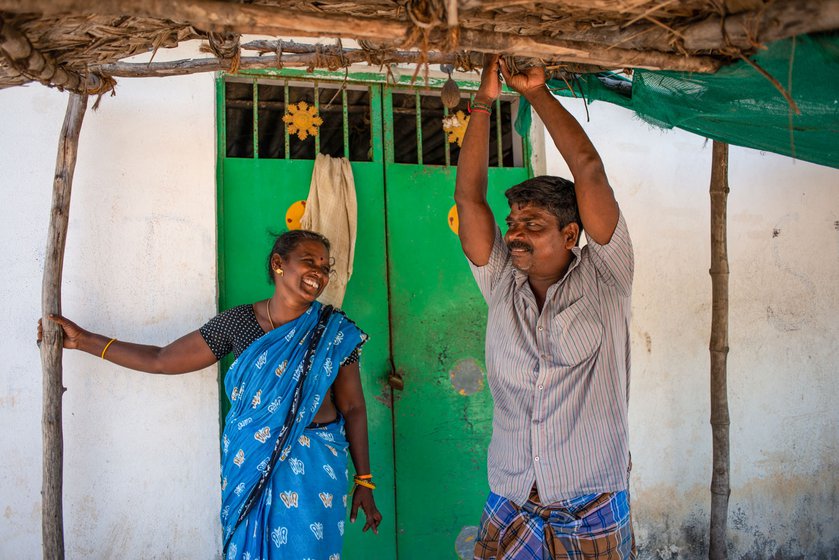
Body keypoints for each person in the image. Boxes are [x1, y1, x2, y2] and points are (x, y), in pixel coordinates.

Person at [39, 229, 382, 559]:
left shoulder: (334, 331)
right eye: (309, 261)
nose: (318, 273)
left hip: (316, 466)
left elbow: (352, 407)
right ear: (279, 264)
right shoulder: (238, 324)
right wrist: (83, 340)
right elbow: (162, 359)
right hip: (250, 463)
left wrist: (364, 479)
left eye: (325, 267)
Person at [454, 55, 636, 558]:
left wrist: (536, 93)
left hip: (591, 500)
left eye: (533, 225)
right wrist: (484, 103)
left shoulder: (606, 277)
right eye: (514, 223)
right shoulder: (501, 283)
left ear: (570, 234)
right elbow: (470, 200)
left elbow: (589, 171)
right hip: (512, 499)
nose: (515, 234)